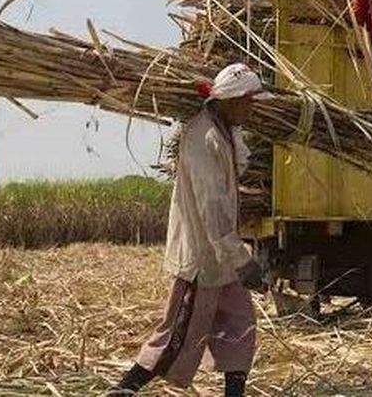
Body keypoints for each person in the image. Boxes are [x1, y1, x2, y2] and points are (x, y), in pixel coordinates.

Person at [111, 63, 271, 397]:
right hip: (201, 259)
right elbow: (211, 208)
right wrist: (242, 260)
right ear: (231, 99)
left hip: (223, 258)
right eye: (248, 101)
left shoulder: (224, 129)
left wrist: (236, 259)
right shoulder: (203, 138)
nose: (252, 108)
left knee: (240, 328)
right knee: (175, 338)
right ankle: (123, 390)